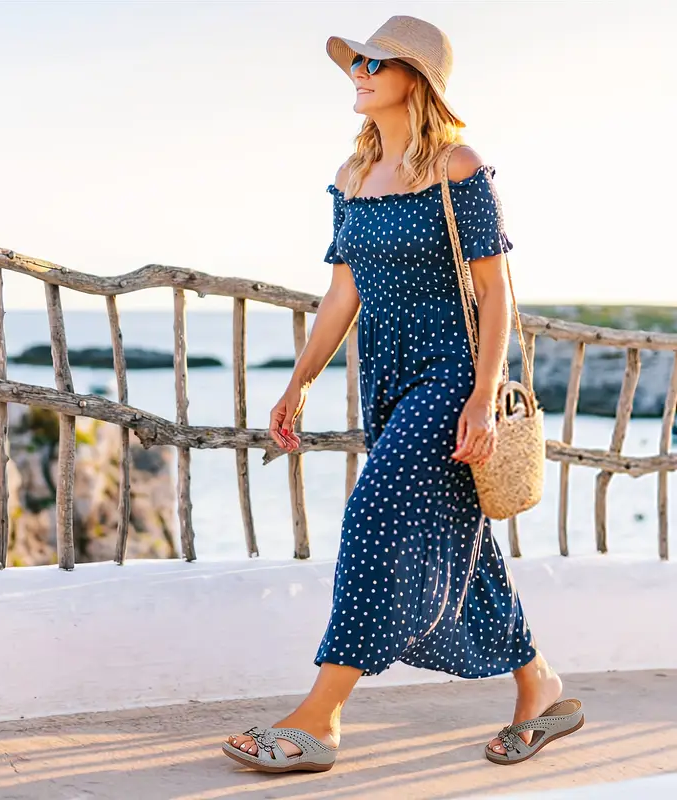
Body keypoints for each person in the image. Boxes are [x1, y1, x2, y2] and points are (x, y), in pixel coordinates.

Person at [222, 15, 583, 773]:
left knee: (373, 514)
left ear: (415, 79)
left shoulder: (459, 166)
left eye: (374, 63)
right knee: (463, 542)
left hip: (451, 378)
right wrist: (299, 381)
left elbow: (496, 293)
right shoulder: (352, 176)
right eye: (356, 62)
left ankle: (321, 717)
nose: (358, 72)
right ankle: (541, 687)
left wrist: (481, 398)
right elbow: (341, 293)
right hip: (386, 380)